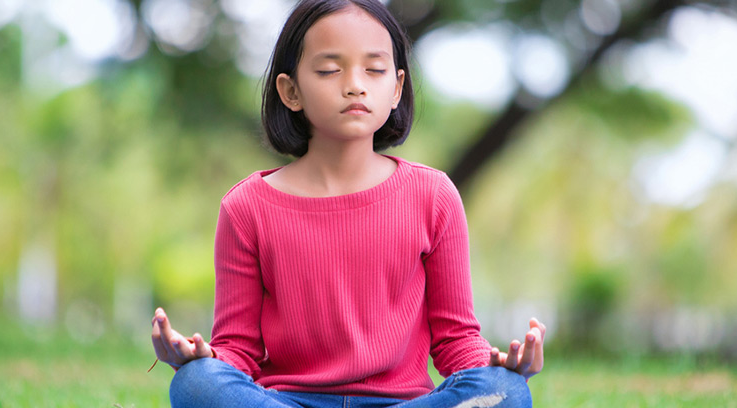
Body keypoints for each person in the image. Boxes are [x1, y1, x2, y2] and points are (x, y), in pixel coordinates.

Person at [150, 0, 546, 406]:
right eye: (329, 70)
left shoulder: (434, 196)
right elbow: (238, 350)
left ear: (396, 88)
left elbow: (456, 340)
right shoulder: (246, 207)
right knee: (196, 383)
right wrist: (206, 359)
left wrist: (497, 366)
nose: (355, 84)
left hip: (401, 402)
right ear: (290, 91)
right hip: (287, 401)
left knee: (508, 392)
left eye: (374, 69)